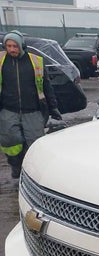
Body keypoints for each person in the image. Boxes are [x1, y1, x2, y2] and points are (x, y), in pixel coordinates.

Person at [0, 30, 62, 182]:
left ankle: (32, 174)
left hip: (33, 110)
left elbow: (47, 86)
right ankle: (16, 165)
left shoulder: (36, 61)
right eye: (8, 46)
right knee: (9, 140)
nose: (12, 49)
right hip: (8, 109)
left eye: (15, 46)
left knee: (35, 142)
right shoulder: (1, 60)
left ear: (22, 45)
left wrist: (53, 107)